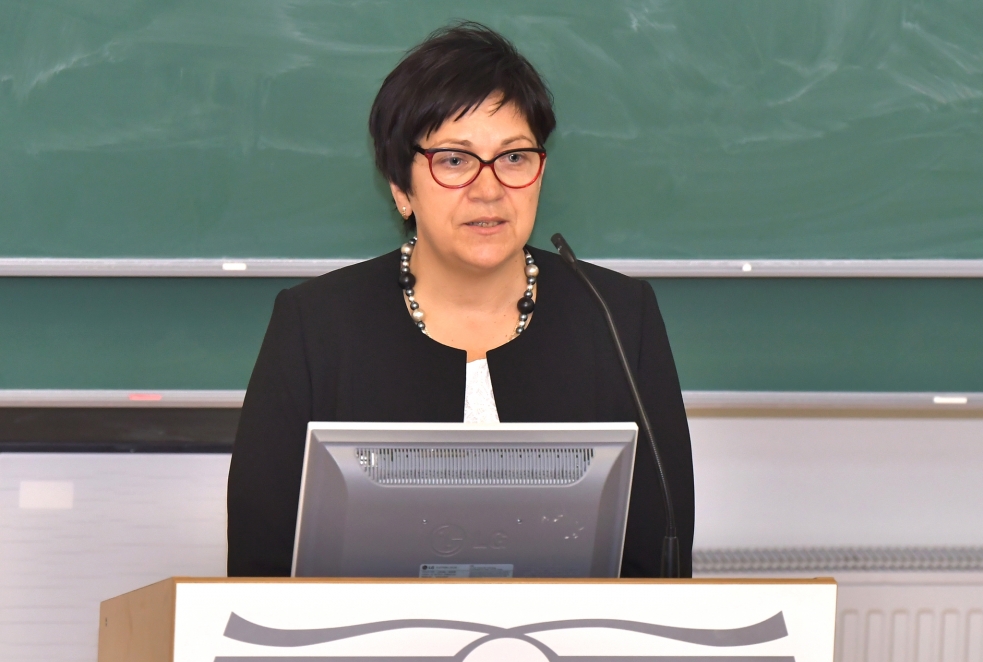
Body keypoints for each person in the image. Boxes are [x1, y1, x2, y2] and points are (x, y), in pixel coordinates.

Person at [226, 22, 694, 578]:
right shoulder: (316, 326)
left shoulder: (617, 317)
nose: (489, 190)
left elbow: (660, 564)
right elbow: (259, 567)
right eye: (454, 160)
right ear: (400, 187)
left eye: (514, 158)